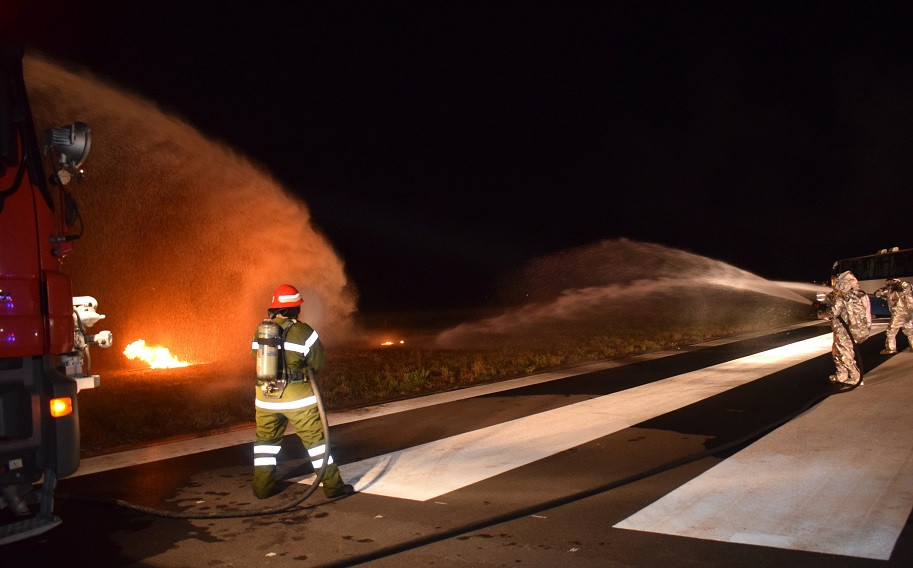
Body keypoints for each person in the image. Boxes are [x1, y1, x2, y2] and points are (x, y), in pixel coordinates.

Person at [250, 284, 354, 499]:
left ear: (275, 307)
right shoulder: (303, 331)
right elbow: (318, 361)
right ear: (296, 307)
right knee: (316, 443)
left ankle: (262, 488)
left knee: (265, 445)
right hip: (297, 398)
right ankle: (333, 487)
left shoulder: (260, 330)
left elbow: (256, 358)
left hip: (265, 398)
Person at [818, 270, 871, 386]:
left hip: (845, 330)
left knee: (844, 353)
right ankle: (841, 375)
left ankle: (856, 377)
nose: (834, 284)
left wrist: (821, 314)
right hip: (856, 329)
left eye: (835, 281)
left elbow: (833, 313)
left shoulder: (843, 297)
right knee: (837, 351)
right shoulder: (860, 294)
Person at [874, 278, 913, 354]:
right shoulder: (905, 289)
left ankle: (891, 348)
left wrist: (888, 287)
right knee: (910, 331)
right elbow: (878, 294)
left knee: (891, 331)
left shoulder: (890, 290)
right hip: (908, 314)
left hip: (898, 314)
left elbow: (877, 294)